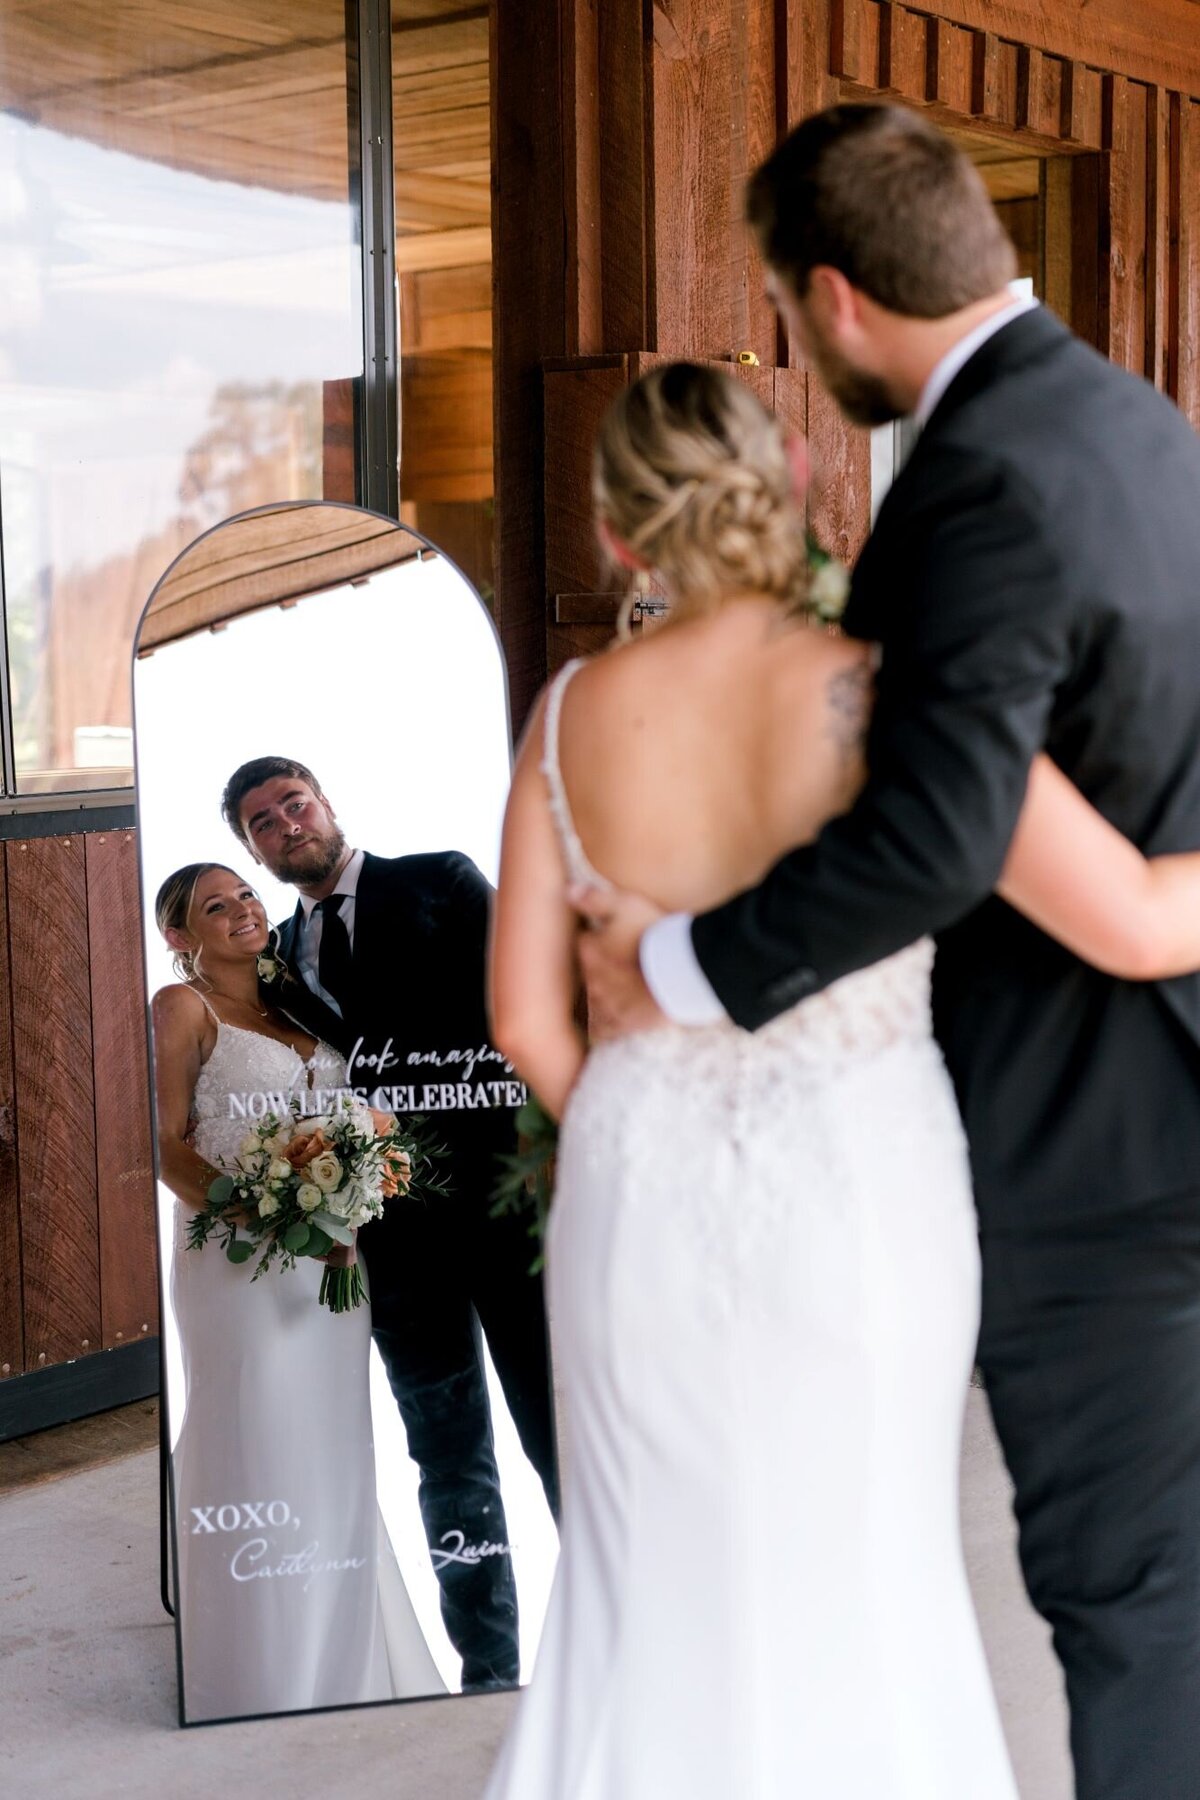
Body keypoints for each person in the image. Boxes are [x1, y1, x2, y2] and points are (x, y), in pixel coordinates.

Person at [571, 105, 1200, 1800]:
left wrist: (679, 973)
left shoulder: (976, 486)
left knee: (1132, 1603)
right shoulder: (1150, 433)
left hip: (1096, 1145)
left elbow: (938, 832)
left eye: (786, 310)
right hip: (1157, 1086)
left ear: (835, 297)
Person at [219, 757, 559, 1693]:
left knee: (559, 1432)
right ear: (251, 848)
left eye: (294, 803)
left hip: (506, 1213)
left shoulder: (441, 879)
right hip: (394, 1245)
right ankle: (490, 1671)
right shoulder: (279, 963)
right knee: (448, 1460)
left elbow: (532, 1001)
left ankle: (637, 1631)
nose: (286, 823)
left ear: (324, 803)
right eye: (262, 822)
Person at [152, 862, 443, 1721]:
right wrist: (266, 1215)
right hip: (242, 1265)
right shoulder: (182, 1010)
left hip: (336, 1268)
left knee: (331, 1444)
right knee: (255, 1432)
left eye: (246, 895)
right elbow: (164, 1145)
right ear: (179, 936)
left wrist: (361, 1190)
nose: (242, 909)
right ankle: (262, 1663)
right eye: (216, 905)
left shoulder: (298, 1007)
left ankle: (344, 1655)